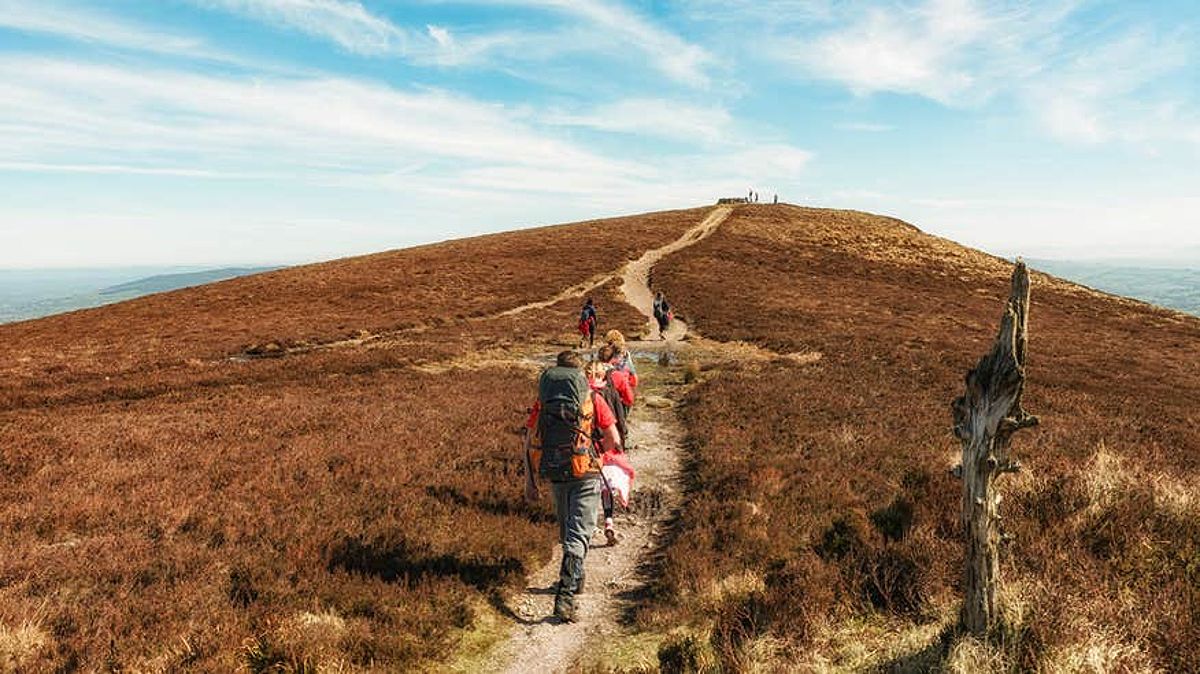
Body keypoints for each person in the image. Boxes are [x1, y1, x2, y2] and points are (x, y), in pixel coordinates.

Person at [524, 351, 621, 622]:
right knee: (579, 533)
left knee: (567, 529)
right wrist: (598, 454)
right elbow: (614, 438)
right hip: (586, 471)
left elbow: (529, 441)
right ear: (579, 375)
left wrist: (529, 481)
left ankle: (576, 580)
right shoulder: (593, 400)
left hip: (555, 470)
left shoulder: (543, 402)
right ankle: (565, 598)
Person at [584, 361, 634, 547]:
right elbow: (620, 421)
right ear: (603, 376)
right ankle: (609, 522)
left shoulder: (583, 396)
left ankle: (586, 526)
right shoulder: (611, 393)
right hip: (609, 445)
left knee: (589, 485)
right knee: (607, 486)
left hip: (588, 446)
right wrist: (621, 443)